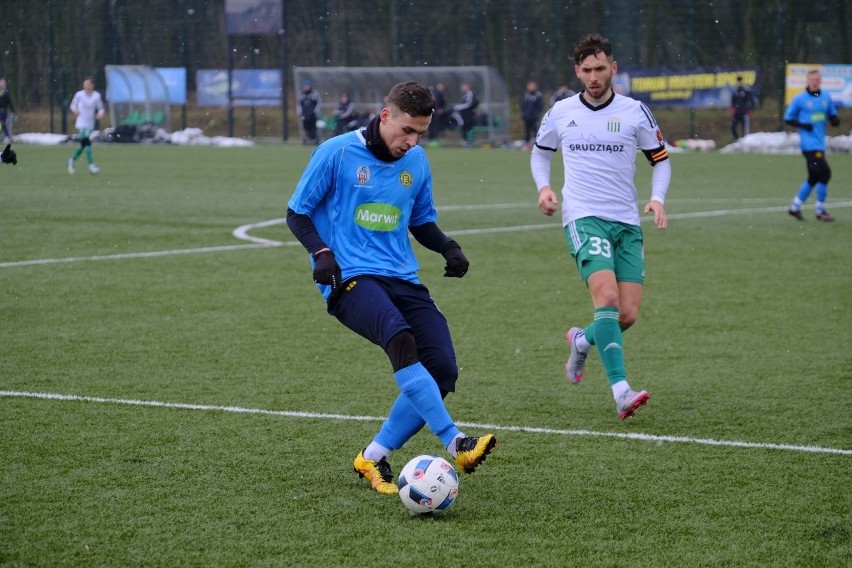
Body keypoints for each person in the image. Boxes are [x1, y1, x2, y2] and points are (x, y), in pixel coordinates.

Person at [286, 81, 497, 494]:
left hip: (401, 275)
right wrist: (322, 252)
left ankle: (373, 456)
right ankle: (458, 442)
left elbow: (420, 221)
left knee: (443, 370)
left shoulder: (416, 161)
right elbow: (297, 213)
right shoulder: (338, 152)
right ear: (385, 116)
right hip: (348, 278)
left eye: (420, 132)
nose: (412, 141)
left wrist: (448, 247)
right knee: (398, 336)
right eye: (406, 130)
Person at [530, 33, 671, 420]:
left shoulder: (634, 111)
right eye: (587, 70)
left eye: (600, 68)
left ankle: (581, 340)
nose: (594, 76)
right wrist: (544, 188)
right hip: (583, 216)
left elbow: (660, 159)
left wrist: (657, 199)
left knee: (626, 315)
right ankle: (621, 390)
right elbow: (540, 154)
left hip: (626, 222)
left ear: (613, 68)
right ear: (577, 71)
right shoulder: (560, 112)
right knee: (606, 299)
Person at [785, 69, 841, 222]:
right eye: (811, 80)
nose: (814, 82)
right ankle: (820, 211)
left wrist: (835, 120)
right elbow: (788, 118)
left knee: (814, 176)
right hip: (808, 145)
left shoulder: (826, 97)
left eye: (817, 80)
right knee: (825, 173)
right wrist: (803, 125)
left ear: (820, 81)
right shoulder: (800, 99)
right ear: (807, 81)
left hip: (819, 143)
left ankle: (795, 207)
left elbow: (832, 114)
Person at [67, 78, 105, 175]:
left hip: (90, 124)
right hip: (81, 123)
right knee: (87, 143)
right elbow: (73, 105)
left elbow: (101, 108)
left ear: (92, 85)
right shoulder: (79, 95)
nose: (85, 86)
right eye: (84, 84)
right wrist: (75, 110)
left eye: (87, 84)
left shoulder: (96, 96)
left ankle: (71, 160)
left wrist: (100, 114)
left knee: (83, 144)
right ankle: (91, 166)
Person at [451, 82, 478, 147]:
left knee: (469, 128)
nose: (462, 88)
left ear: (468, 86)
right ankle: (466, 142)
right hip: (465, 115)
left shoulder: (470, 93)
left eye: (463, 86)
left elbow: (469, 104)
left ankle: (469, 142)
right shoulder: (465, 94)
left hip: (469, 115)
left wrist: (457, 107)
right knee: (465, 128)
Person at [729, 76, 755, 141]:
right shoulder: (735, 91)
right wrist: (733, 108)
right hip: (736, 113)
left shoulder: (747, 91)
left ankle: (745, 141)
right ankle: (736, 140)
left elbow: (751, 101)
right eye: (738, 81)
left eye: (740, 81)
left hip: (744, 112)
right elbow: (733, 101)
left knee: (745, 129)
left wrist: (750, 109)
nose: (739, 83)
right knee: (733, 126)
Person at [521, 81, 544, 148]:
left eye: (532, 85)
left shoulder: (538, 95)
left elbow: (540, 106)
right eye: (529, 86)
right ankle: (527, 144)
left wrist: (537, 114)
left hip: (534, 117)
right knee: (527, 131)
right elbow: (523, 106)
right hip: (527, 117)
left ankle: (537, 143)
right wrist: (523, 114)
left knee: (536, 130)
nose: (531, 87)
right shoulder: (526, 95)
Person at [297, 80, 321, 145]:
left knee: (313, 128)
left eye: (308, 86)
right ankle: (307, 140)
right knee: (306, 128)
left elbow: (318, 103)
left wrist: (315, 111)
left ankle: (314, 140)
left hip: (312, 115)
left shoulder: (315, 93)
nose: (306, 87)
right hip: (304, 114)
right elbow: (298, 103)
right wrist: (300, 112)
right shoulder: (301, 94)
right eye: (305, 86)